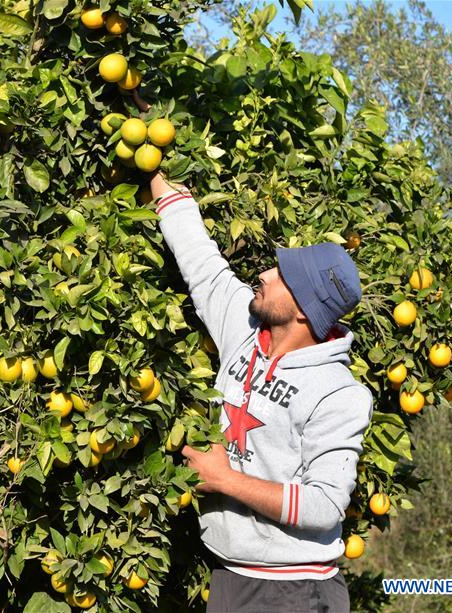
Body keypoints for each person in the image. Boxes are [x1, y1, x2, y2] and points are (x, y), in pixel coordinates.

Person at [149, 171, 373, 613]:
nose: (265, 273)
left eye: (283, 276)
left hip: (295, 592)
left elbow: (324, 503)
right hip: (230, 577)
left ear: (305, 313)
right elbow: (202, 263)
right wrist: (154, 165)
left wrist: (223, 479)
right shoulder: (245, 328)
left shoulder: (339, 394)